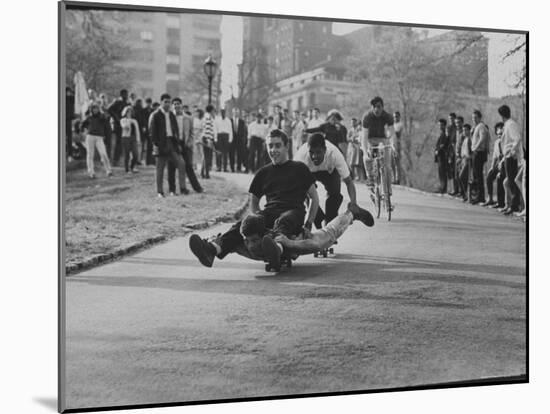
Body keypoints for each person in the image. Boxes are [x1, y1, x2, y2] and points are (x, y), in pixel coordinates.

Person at [189, 129, 320, 269]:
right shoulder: (264, 172)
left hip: (293, 211)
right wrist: (257, 220)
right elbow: (254, 201)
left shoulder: (299, 168)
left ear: (286, 147)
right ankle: (212, 250)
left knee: (283, 221)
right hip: (270, 212)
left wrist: (309, 223)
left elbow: (314, 198)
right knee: (244, 224)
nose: (273, 150)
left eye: (277, 145)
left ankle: (277, 250)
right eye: (270, 146)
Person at [237, 202, 374, 262]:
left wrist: (290, 243)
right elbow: (229, 244)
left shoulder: (277, 238)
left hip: (296, 235)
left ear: (264, 237)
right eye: (247, 241)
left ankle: (351, 213)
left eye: (255, 241)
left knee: (327, 235)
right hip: (281, 221)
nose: (251, 246)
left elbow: (315, 245)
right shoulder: (246, 243)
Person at [294, 133, 364, 230]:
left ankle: (329, 224)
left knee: (335, 195)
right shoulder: (301, 157)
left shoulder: (334, 153)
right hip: (309, 172)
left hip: (329, 172)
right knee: (305, 193)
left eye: (318, 152)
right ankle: (317, 219)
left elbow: (348, 182)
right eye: (312, 153)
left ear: (325, 150)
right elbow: (294, 186)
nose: (314, 156)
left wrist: (353, 203)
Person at [150, 93, 187, 197]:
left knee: (181, 163)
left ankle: (183, 188)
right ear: (161, 102)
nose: (167, 104)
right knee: (160, 169)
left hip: (172, 143)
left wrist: (177, 143)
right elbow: (152, 132)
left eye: (169, 102)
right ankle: (160, 192)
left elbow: (175, 129)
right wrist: (156, 144)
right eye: (165, 102)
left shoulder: (171, 114)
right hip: (161, 143)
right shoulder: (156, 115)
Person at [362, 97, 396, 200]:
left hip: (382, 139)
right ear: (371, 107)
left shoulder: (388, 116)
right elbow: (364, 137)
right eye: (374, 107)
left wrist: (392, 145)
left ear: (382, 107)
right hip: (370, 139)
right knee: (367, 158)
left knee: (387, 166)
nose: (377, 109)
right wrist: (365, 151)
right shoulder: (367, 117)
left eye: (379, 107)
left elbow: (392, 133)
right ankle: (370, 177)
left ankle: (388, 189)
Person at [168, 98, 202, 194]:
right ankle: (172, 189)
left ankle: (197, 188)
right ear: (172, 106)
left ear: (181, 105)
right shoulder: (170, 117)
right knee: (171, 167)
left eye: (178, 104)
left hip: (184, 144)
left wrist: (189, 143)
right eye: (174, 104)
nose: (176, 106)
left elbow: (191, 133)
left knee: (188, 167)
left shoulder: (188, 118)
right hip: (173, 144)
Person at [498, 104, 524, 215]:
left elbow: (517, 138)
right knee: (510, 179)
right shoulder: (507, 124)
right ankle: (512, 204)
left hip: (511, 156)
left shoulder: (511, 124)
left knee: (512, 180)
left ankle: (514, 205)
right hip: (507, 156)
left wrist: (512, 151)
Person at [80, 103, 113, 178]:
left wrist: (104, 111)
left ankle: (108, 170)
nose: (95, 110)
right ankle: (91, 172)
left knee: (103, 153)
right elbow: (82, 125)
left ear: (98, 109)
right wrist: (83, 130)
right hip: (90, 137)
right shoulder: (89, 117)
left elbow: (108, 118)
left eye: (96, 108)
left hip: (99, 137)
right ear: (91, 109)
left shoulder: (102, 117)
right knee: (90, 155)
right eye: (93, 108)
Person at [481, 123, 505, 207]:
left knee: (499, 179)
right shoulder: (496, 143)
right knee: (489, 177)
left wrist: (500, 168)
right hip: (498, 164)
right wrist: (492, 167)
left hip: (505, 164)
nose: (499, 136)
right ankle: (490, 198)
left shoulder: (506, 141)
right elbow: (495, 156)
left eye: (501, 134)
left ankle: (500, 202)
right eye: (498, 134)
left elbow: (506, 156)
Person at [469, 110, 490, 204]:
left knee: (478, 175)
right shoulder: (476, 127)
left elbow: (482, 138)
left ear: (480, 118)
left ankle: (480, 196)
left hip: (479, 152)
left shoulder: (481, 126)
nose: (474, 119)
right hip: (476, 152)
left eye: (476, 117)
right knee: (475, 174)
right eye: (473, 118)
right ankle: (477, 195)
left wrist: (475, 147)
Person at [107, 89, 130, 165]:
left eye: (127, 94)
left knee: (122, 142)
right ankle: (115, 160)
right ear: (122, 95)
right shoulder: (117, 102)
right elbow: (109, 109)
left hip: (125, 124)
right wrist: (116, 118)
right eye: (126, 94)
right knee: (118, 143)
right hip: (118, 125)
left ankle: (119, 159)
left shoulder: (126, 103)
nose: (127, 96)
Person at [120, 105, 140, 174]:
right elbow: (124, 126)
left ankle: (132, 167)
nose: (129, 113)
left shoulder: (135, 121)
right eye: (128, 112)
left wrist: (138, 139)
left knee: (135, 154)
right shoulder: (123, 120)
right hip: (126, 138)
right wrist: (128, 121)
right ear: (125, 112)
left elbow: (137, 131)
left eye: (130, 112)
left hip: (133, 138)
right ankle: (127, 169)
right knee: (127, 154)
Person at [230, 107, 248, 173]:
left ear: (239, 113)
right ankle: (232, 168)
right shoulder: (229, 120)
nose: (236, 113)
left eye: (237, 112)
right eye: (234, 112)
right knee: (231, 154)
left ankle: (238, 168)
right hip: (232, 139)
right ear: (232, 113)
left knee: (239, 154)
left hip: (239, 140)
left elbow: (243, 132)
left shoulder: (242, 121)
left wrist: (243, 139)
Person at [458, 124, 473, 201]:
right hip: (463, 160)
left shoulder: (470, 139)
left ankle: (467, 195)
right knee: (463, 178)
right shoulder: (465, 139)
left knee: (462, 177)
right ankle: (465, 195)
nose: (464, 131)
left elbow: (471, 151)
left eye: (466, 130)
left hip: (468, 160)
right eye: (463, 130)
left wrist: (469, 157)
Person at [200, 105, 216, 179]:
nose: (214, 112)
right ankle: (206, 174)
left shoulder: (205, 117)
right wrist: (209, 140)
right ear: (211, 110)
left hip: (205, 137)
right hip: (207, 138)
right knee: (207, 157)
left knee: (205, 156)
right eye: (213, 110)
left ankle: (202, 172)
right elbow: (208, 129)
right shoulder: (208, 117)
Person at [434, 119, 449, 194]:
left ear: (444, 125)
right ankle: (441, 187)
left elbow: (443, 145)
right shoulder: (441, 133)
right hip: (439, 156)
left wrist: (438, 150)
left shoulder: (445, 133)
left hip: (443, 155)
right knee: (440, 172)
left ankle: (443, 188)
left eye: (441, 125)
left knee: (443, 172)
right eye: (439, 125)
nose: (440, 126)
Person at [453, 116, 466, 198]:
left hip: (462, 157)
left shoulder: (464, 132)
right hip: (457, 156)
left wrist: (460, 156)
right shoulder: (457, 132)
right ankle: (458, 191)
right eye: (456, 123)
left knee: (461, 175)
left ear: (462, 123)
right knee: (456, 174)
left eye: (458, 122)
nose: (457, 124)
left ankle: (463, 192)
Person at [446, 113, 458, 195]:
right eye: (450, 119)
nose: (451, 120)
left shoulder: (456, 128)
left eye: (452, 118)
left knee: (455, 170)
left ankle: (456, 189)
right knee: (450, 171)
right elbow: (447, 139)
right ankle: (451, 188)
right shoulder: (448, 127)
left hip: (455, 150)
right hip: (449, 150)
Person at [392, 111, 404, 184]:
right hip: (391, 144)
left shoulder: (400, 124)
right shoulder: (392, 124)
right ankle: (393, 178)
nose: (395, 118)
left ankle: (397, 179)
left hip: (397, 144)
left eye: (396, 116)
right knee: (392, 162)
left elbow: (398, 134)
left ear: (399, 117)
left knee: (397, 162)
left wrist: (392, 131)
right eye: (394, 117)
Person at [66, 87, 75, 161]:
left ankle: (70, 155)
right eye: (68, 92)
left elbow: (77, 95)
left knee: (69, 138)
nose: (69, 93)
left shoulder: (71, 99)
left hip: (68, 120)